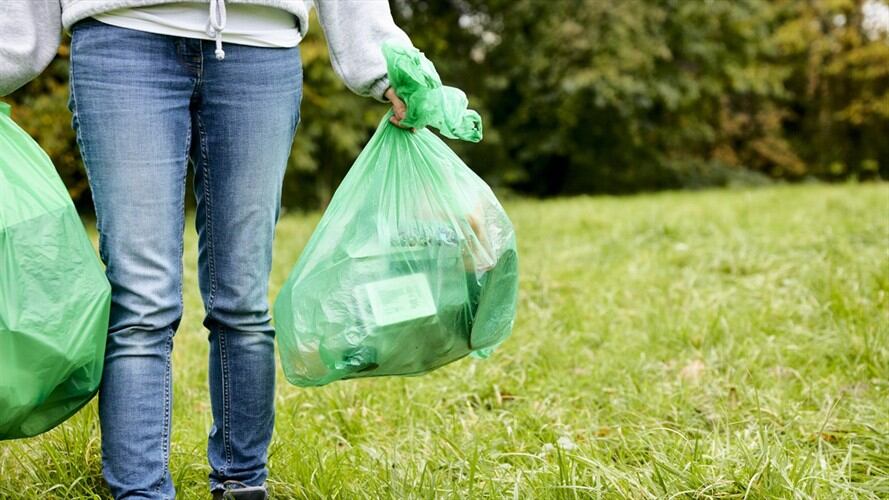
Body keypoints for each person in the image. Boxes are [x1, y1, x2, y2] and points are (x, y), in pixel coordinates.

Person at [0, 1, 412, 498]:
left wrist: (385, 63)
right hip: (122, 39)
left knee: (242, 300)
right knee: (140, 301)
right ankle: (141, 491)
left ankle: (242, 484)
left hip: (261, 47)